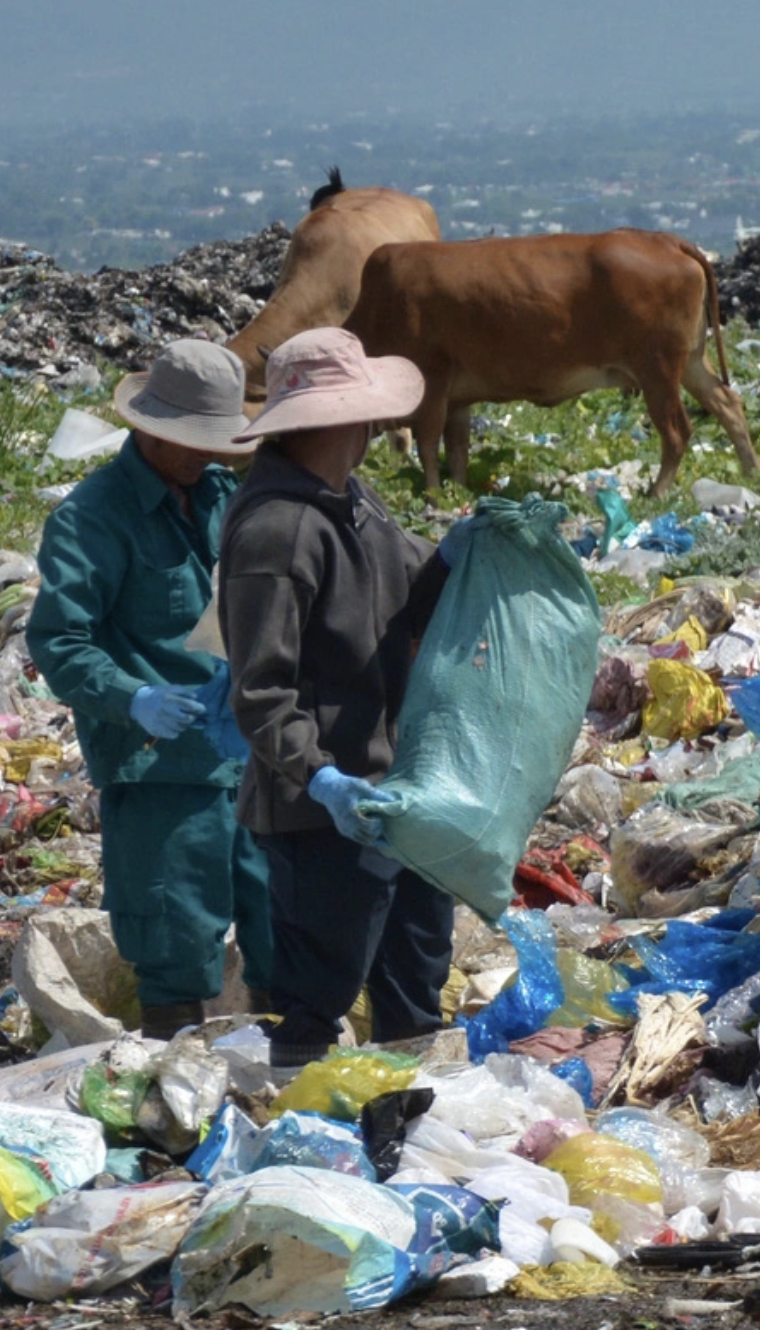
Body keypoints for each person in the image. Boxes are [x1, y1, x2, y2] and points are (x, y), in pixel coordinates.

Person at [219, 328, 472, 1070]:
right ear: (335, 420)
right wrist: (324, 780)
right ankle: (300, 1140)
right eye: (363, 414)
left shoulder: (352, 500)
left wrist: (461, 553)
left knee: (415, 977)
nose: (373, 427)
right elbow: (262, 692)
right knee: (317, 993)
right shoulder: (276, 530)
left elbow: (409, 591)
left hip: (398, 792)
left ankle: (410, 1124)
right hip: (322, 811)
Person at [25, 340, 275, 1036]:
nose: (208, 454)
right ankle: (177, 1095)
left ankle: (281, 1076)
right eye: (192, 440)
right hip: (160, 767)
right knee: (175, 942)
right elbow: (59, 638)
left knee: (281, 929)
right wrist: (132, 696)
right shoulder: (92, 517)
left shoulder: (226, 498)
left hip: (249, 758)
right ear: (148, 427)